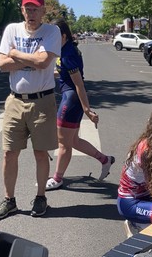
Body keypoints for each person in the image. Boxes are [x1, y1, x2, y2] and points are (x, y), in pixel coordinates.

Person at [0, 0, 63, 220]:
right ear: (22, 10)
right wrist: (27, 59)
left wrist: (14, 53)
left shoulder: (51, 31)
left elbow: (43, 62)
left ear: (43, 11)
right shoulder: (12, 29)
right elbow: (2, 65)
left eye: (35, 8)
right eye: (27, 8)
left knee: (41, 154)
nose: (31, 13)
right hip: (15, 101)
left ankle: (41, 197)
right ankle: (9, 200)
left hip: (42, 101)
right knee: (9, 154)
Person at [45, 21, 115, 190]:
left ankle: (57, 178)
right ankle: (105, 160)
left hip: (71, 100)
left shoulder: (69, 54)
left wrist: (87, 110)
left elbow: (79, 84)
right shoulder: (65, 49)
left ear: (63, 36)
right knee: (73, 140)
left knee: (64, 143)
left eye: (54, 37)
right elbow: (62, 72)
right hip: (69, 98)